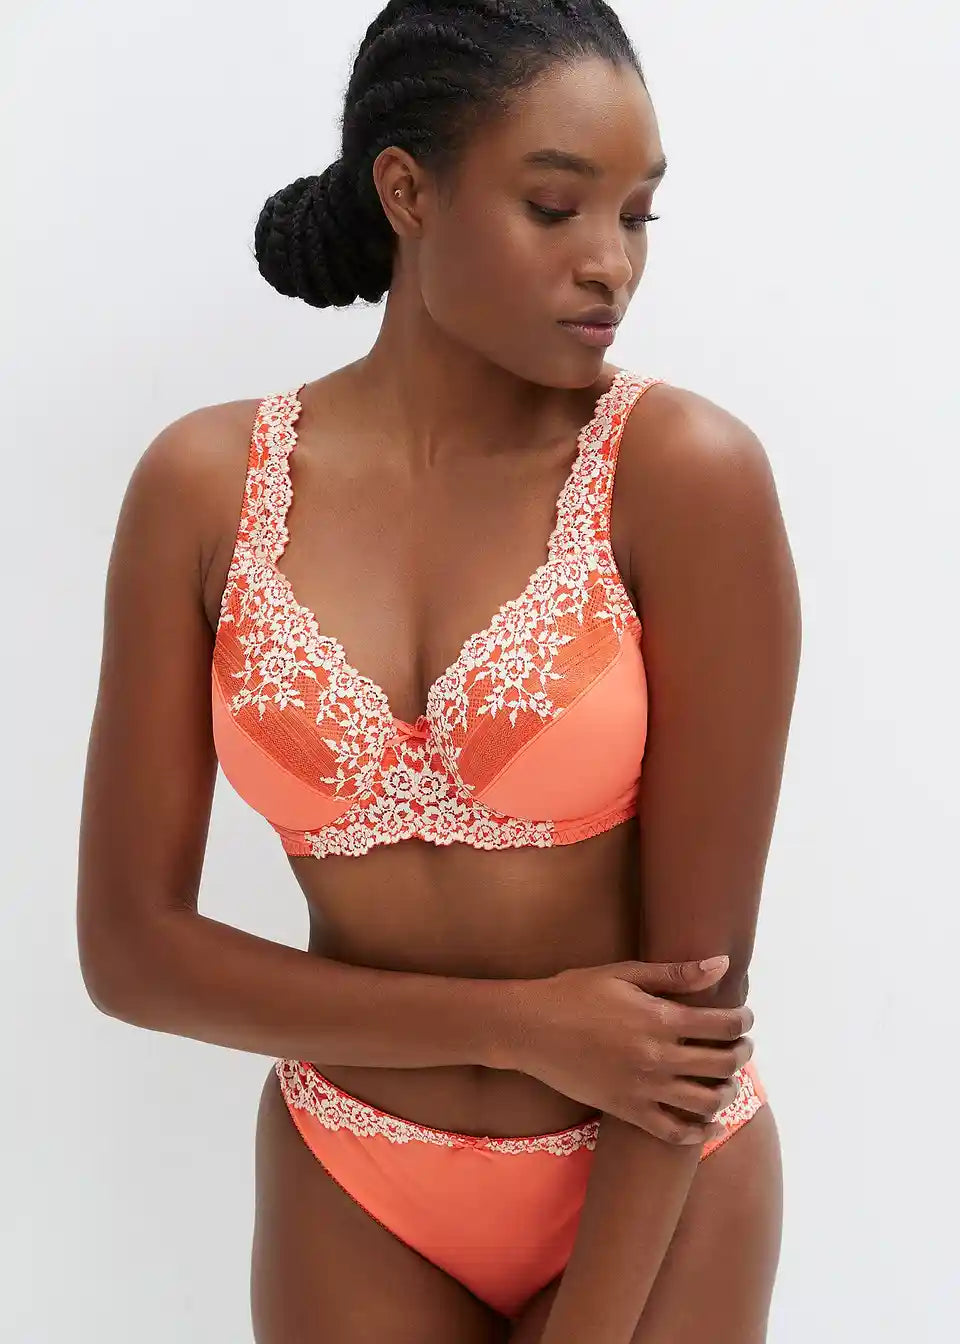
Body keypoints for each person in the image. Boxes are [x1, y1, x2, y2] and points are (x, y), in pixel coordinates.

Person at [77, 2, 801, 1340]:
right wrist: (519, 1024)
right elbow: (131, 953)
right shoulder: (203, 490)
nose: (610, 264)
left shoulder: (683, 476)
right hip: (353, 1172)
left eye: (637, 216)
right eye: (554, 207)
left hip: (653, 1177)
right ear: (407, 192)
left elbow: (694, 1010)